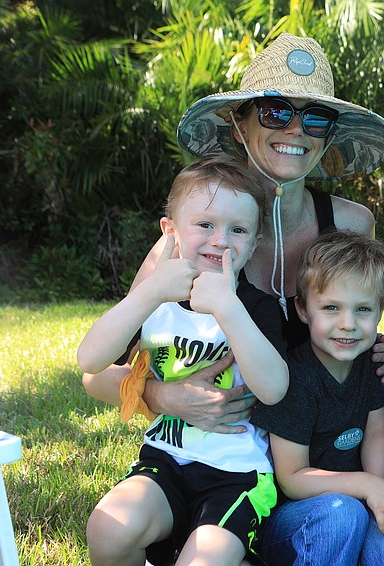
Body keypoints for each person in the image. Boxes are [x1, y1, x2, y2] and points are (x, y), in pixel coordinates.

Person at [82, 33, 384, 449]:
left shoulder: (351, 224)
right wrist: (165, 397)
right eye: (275, 112)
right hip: (233, 455)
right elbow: (95, 375)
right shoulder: (186, 247)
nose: (296, 129)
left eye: (317, 117)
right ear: (239, 124)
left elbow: (355, 327)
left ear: (328, 136)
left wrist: (371, 347)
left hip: (323, 448)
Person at [77, 158, 290, 566]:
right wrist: (148, 292)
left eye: (238, 230)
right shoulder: (155, 301)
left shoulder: (255, 309)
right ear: (170, 231)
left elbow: (274, 389)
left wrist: (228, 306)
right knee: (107, 529)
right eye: (205, 225)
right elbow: (90, 360)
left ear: (255, 242)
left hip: (237, 476)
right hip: (164, 460)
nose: (220, 240)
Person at [250, 230, 384, 565]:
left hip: (353, 502)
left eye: (363, 309)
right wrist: (367, 486)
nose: (348, 324)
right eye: (331, 307)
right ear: (303, 310)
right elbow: (291, 479)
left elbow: (375, 433)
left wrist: (378, 492)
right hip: (288, 520)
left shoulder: (366, 364)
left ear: (380, 310)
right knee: (343, 513)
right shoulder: (294, 379)